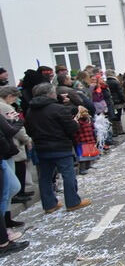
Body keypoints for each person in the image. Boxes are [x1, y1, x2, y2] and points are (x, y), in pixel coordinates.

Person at [25, 82, 92, 213]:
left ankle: (49, 205)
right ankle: (73, 202)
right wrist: (76, 120)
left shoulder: (30, 110)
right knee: (68, 175)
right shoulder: (58, 109)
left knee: (45, 177)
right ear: (50, 94)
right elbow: (72, 128)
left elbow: (29, 130)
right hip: (60, 147)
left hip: (41, 147)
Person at [0, 86, 33, 211]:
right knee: (14, 177)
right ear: (9, 96)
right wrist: (26, 139)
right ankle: (18, 195)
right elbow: (15, 128)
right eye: (14, 98)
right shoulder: (6, 107)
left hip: (8, 144)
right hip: (11, 144)